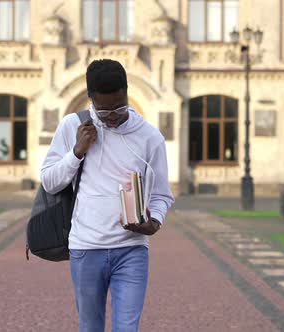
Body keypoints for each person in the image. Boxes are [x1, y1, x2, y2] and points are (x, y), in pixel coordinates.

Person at [40, 59, 174, 332]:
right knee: (90, 328)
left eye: (120, 107)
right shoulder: (73, 126)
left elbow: (161, 194)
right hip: (86, 248)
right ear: (90, 100)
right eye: (104, 110)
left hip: (132, 250)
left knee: (127, 328)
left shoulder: (150, 137)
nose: (113, 116)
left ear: (127, 92)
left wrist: (154, 223)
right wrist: (77, 151)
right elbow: (49, 183)